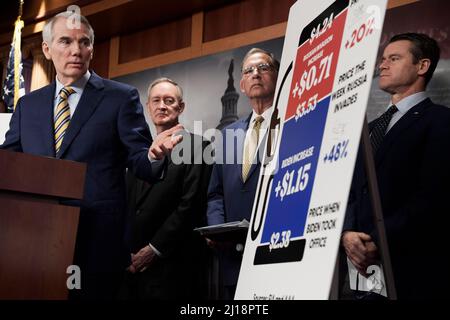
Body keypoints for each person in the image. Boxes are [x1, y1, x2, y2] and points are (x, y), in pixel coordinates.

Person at [0, 12, 182, 299]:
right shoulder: (27, 105)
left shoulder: (121, 97)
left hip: (98, 242)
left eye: (84, 42)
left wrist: (154, 156)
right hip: (33, 243)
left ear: (92, 49)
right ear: (47, 50)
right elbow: (9, 165)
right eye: (65, 41)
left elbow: (139, 160)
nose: (76, 50)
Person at [342, 33, 450, 299]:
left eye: (394, 58)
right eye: (383, 59)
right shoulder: (367, 129)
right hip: (358, 271)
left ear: (422, 66)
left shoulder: (441, 121)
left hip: (413, 270)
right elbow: (350, 190)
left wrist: (376, 239)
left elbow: (434, 196)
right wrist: (346, 234)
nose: (383, 65)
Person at [121, 78, 212, 300]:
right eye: (156, 100)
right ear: (148, 107)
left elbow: (190, 206)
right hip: (132, 270)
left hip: (174, 269)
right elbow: (128, 205)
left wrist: (153, 249)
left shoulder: (198, 147)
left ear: (181, 108)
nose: (162, 106)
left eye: (169, 101)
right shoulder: (139, 154)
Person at [207, 48, 279, 299]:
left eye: (263, 68)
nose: (255, 74)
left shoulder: (294, 121)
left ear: (278, 76)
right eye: (248, 70)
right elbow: (215, 193)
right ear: (242, 84)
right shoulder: (227, 136)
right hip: (234, 260)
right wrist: (217, 228)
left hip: (278, 255)